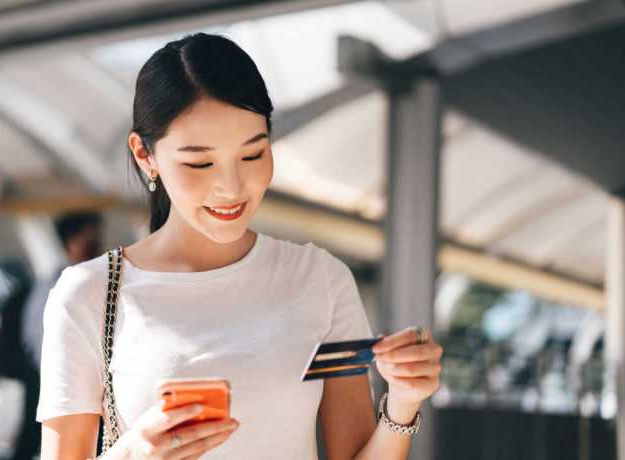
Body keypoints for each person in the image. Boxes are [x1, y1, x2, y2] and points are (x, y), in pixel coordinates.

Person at [36, 33, 443, 460]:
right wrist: (134, 453)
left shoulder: (320, 280)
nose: (231, 188)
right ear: (145, 155)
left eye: (252, 155)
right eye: (199, 163)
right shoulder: (88, 294)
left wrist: (403, 401)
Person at [9, 211, 103, 460]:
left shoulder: (96, 280)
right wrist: (57, 375)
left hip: (81, 381)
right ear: (70, 243)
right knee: (34, 440)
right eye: (89, 241)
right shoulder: (58, 284)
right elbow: (38, 337)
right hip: (54, 380)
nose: (96, 247)